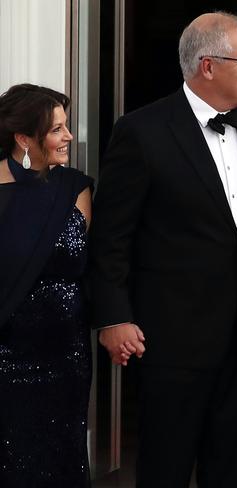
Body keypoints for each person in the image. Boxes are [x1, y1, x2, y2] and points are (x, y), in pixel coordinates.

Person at [89, 11, 237, 488]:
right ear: (208, 66)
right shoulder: (142, 131)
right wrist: (113, 316)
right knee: (165, 470)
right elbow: (111, 237)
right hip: (171, 338)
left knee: (234, 472)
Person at [0, 84, 93, 487]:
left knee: (62, 458)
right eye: (57, 129)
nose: (68, 137)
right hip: (6, 355)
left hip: (65, 356)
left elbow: (89, 267)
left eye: (66, 127)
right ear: (24, 138)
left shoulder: (75, 188)